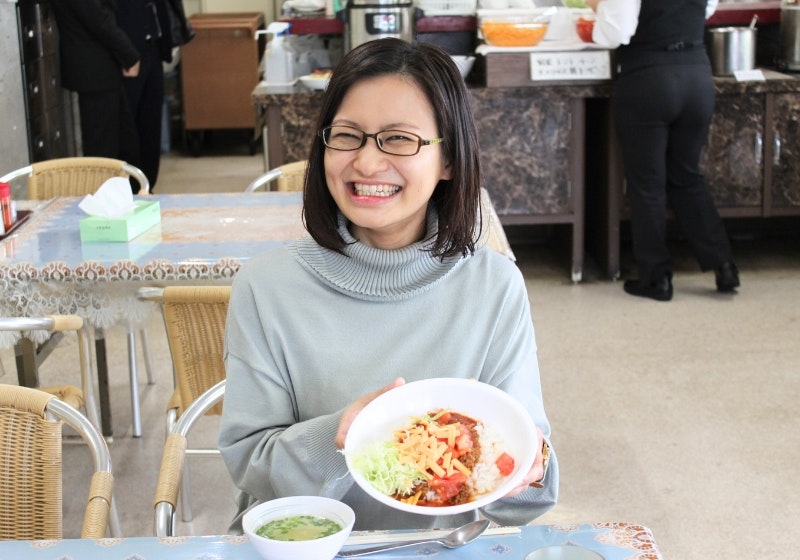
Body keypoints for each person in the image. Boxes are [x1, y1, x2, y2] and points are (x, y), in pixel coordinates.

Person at [218, 38, 557, 533]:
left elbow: (525, 500)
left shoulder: (493, 286)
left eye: (399, 139)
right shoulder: (266, 287)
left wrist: (532, 466)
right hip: (305, 546)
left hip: (434, 548)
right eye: (348, 135)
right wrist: (339, 438)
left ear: (449, 161)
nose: (367, 163)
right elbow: (251, 467)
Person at [586, 0, 740, 301]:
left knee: (648, 185)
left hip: (648, 79)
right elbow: (706, 10)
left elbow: (615, 33)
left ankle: (657, 278)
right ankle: (724, 265)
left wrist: (598, 7)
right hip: (697, 76)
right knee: (687, 175)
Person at [51, 0, 142, 191]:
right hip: (93, 70)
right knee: (103, 150)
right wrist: (129, 54)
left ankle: (133, 196)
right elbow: (97, 19)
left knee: (126, 143)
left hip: (102, 68)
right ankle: (107, 205)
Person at [117, 0, 194, 191]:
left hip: (154, 46)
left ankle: (147, 186)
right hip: (128, 51)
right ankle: (131, 189)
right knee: (128, 127)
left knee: (151, 123)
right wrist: (123, 54)